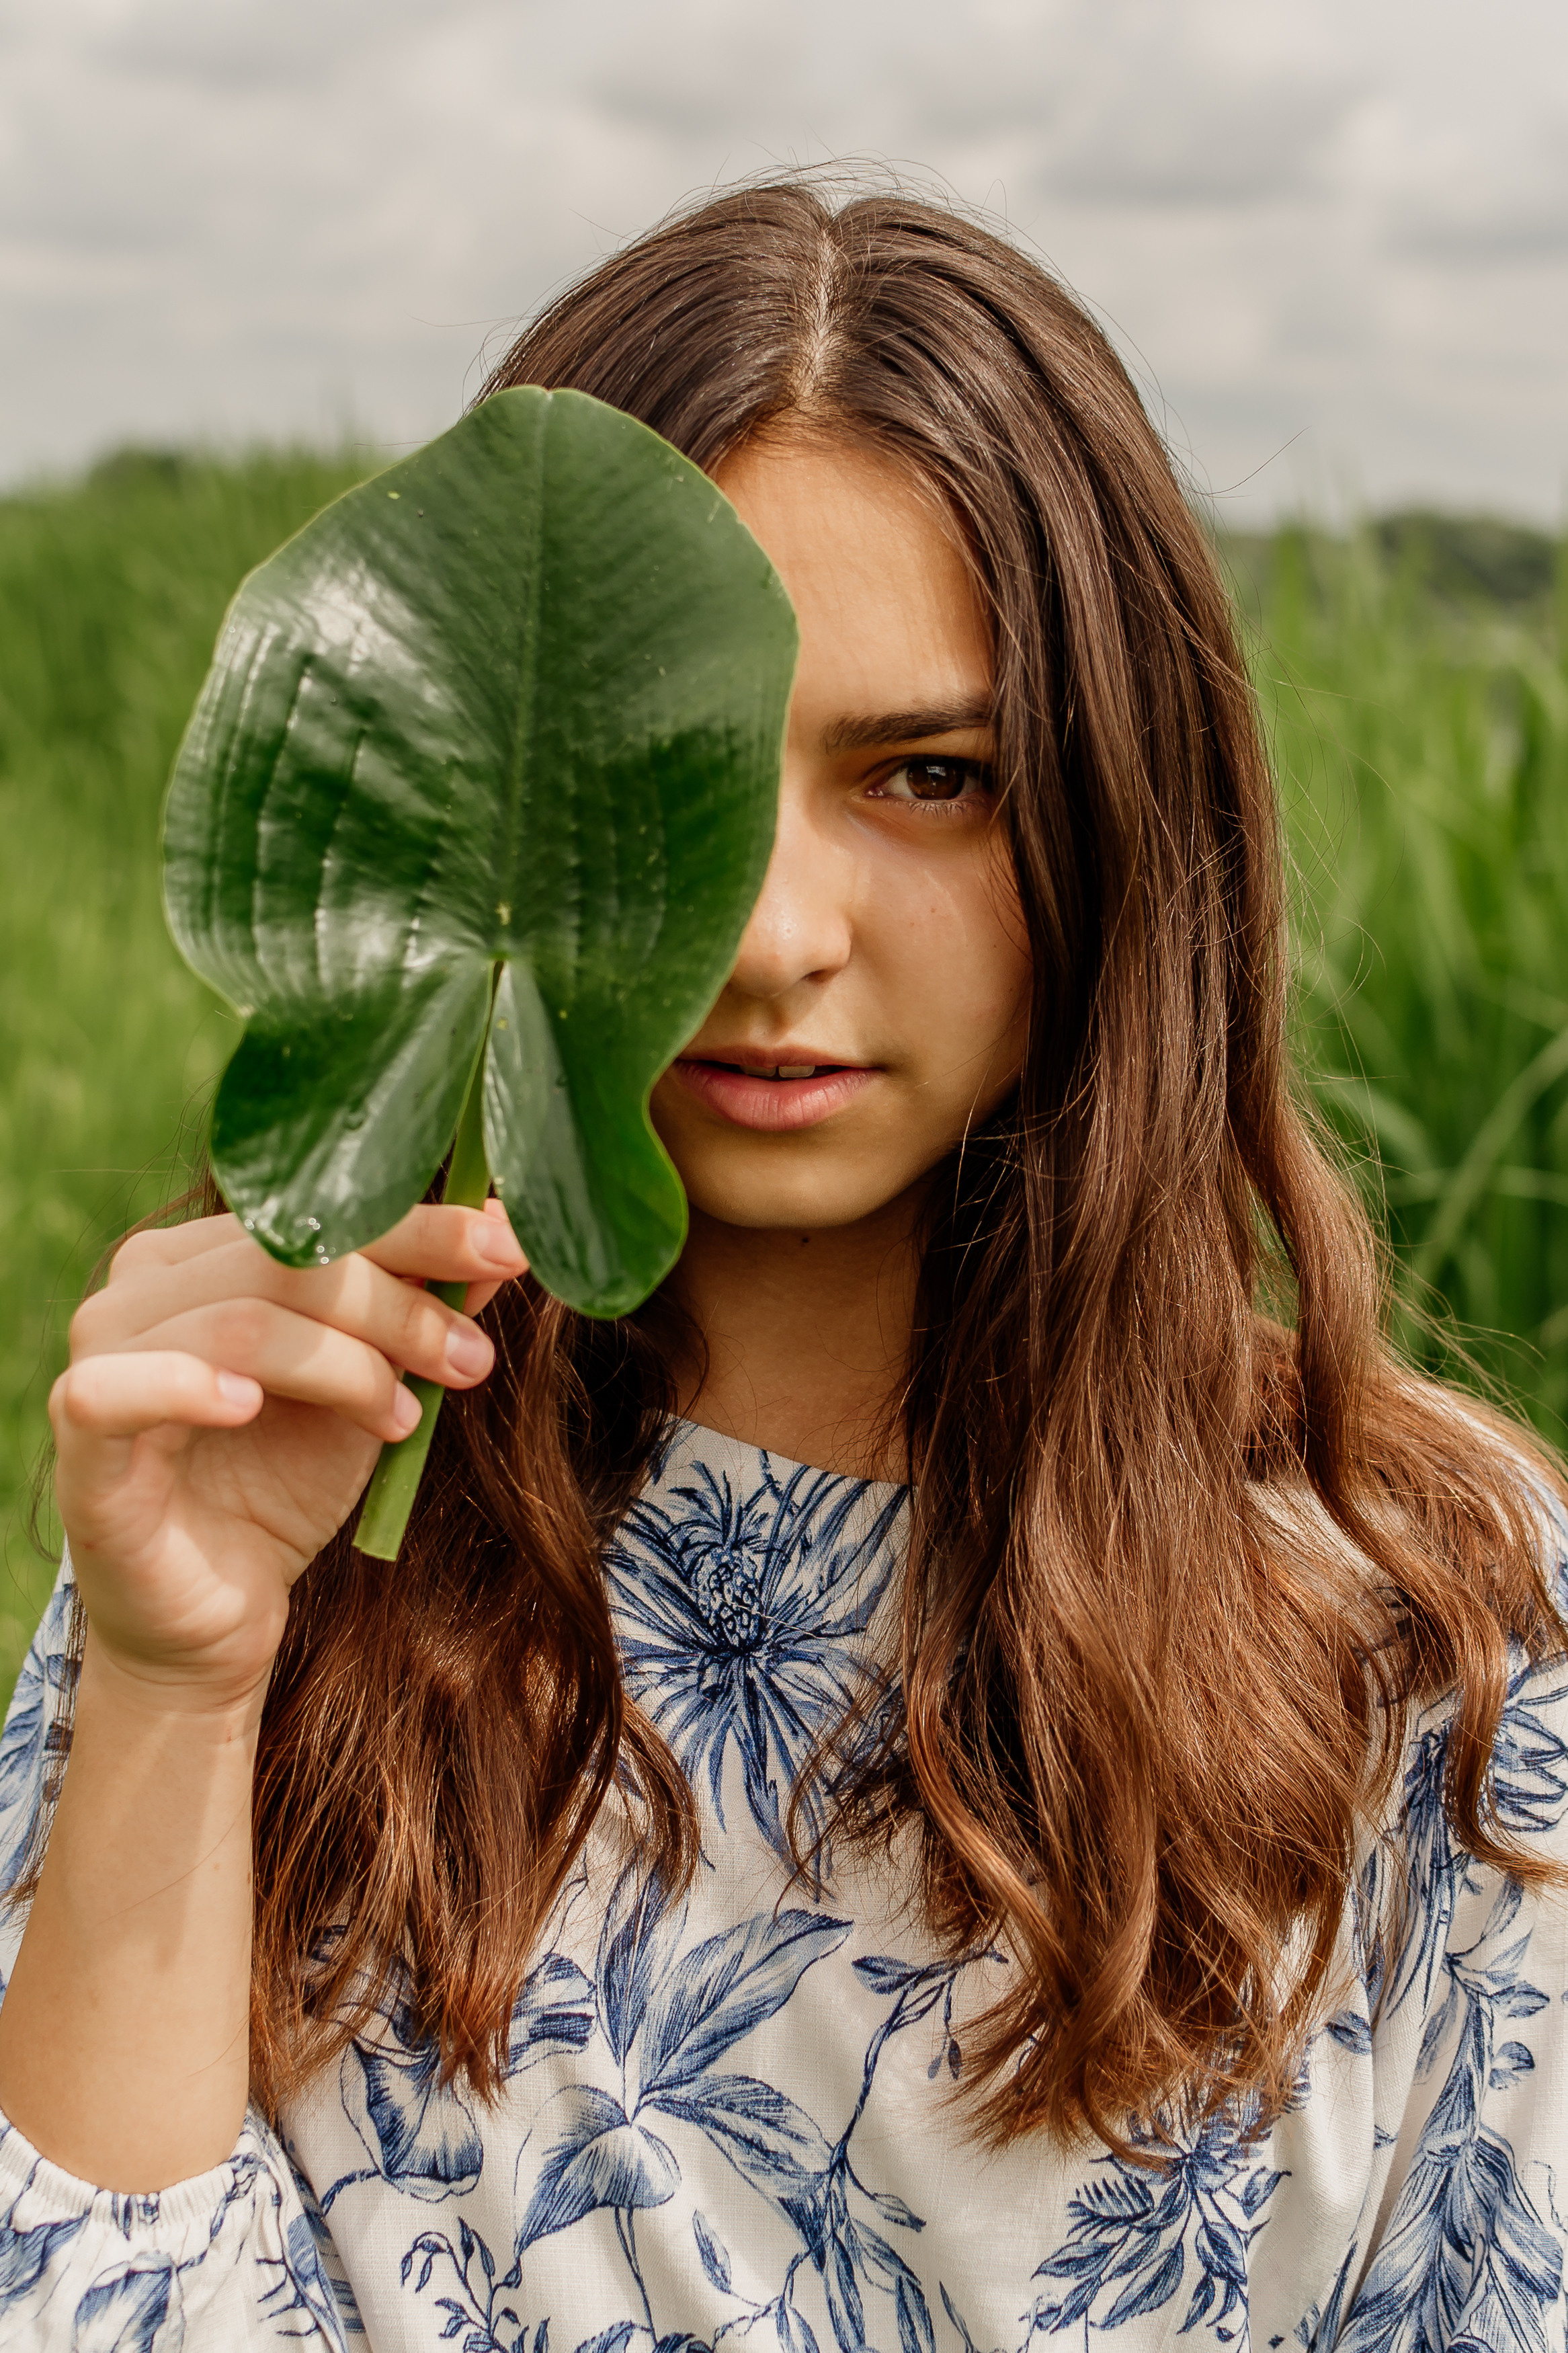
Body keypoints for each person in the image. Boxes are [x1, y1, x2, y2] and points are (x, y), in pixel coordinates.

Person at [1, 177, 1565, 2353]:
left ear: (1112, 815)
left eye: (928, 774)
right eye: (673, 787)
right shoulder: (286, 1510)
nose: (770, 933)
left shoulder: (1432, 1619)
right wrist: (178, 1686)